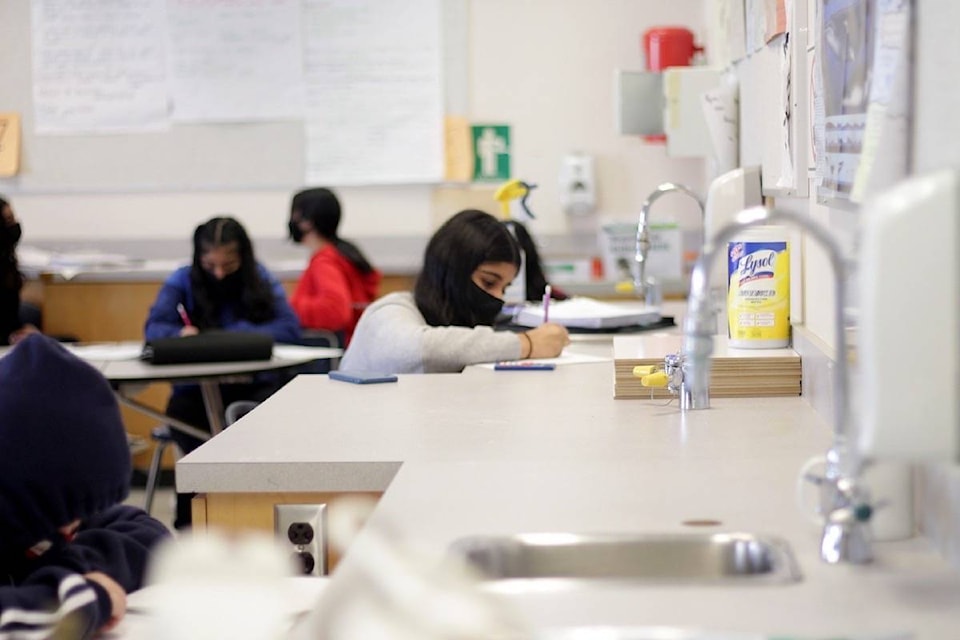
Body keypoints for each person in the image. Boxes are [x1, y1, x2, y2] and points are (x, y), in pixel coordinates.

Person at [0, 334, 171, 639]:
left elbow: (151, 537)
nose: (71, 529)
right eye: (68, 512)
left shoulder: (47, 513)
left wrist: (67, 567)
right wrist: (89, 595)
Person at [144, 215, 301, 529]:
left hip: (254, 387)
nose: (218, 274)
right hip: (195, 392)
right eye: (209, 265)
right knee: (183, 417)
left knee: (263, 421)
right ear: (198, 258)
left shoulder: (260, 278)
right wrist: (178, 335)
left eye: (227, 266)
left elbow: (288, 328)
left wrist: (230, 336)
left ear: (242, 257)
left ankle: (250, 515)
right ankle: (194, 521)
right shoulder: (182, 279)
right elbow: (154, 328)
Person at [340, 209, 570, 374]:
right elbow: (418, 350)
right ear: (452, 271)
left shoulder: (452, 320)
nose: (498, 298)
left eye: (505, 288)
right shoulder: (389, 310)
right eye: (489, 283)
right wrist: (527, 344)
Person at [287, 187, 382, 345]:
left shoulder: (325, 261)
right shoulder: (344, 253)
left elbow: (335, 311)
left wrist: (289, 308)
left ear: (307, 221)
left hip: (339, 352)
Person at [0, 195, 40, 346]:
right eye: (8, 221)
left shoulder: (7, 261)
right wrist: (12, 337)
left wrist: (20, 330)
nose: (15, 226)